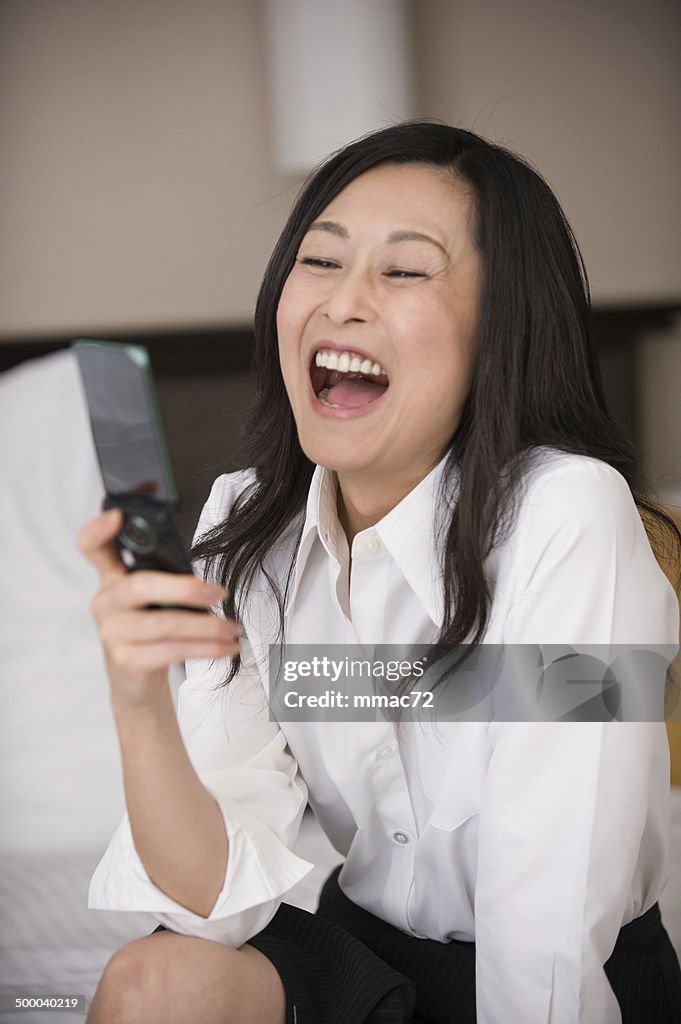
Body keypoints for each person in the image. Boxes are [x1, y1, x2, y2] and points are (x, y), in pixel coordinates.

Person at [78, 122, 681, 1023]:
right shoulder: (249, 524)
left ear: (501, 328)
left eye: (403, 272)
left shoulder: (570, 513)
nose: (343, 302)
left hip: (557, 973)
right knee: (152, 982)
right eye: (319, 262)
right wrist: (139, 703)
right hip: (366, 948)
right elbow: (212, 902)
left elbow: (547, 930)